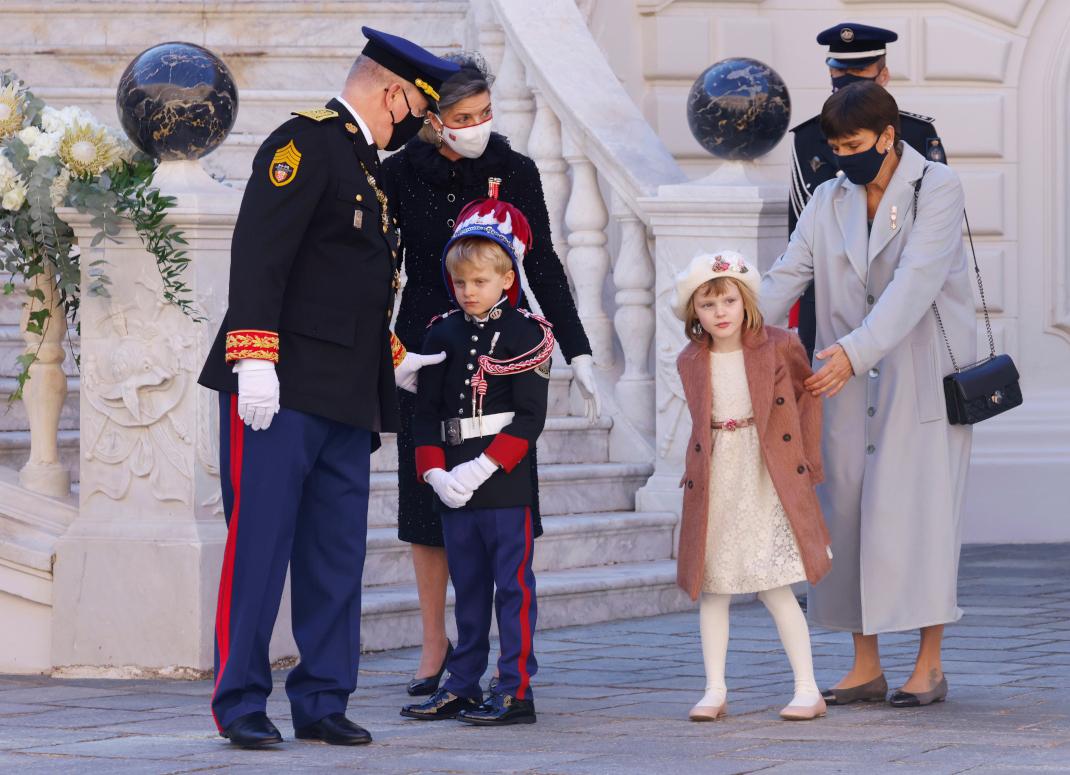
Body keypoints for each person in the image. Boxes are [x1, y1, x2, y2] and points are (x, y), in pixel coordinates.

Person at [196, 28, 458, 748]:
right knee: (259, 547)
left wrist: (395, 357)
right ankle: (241, 698)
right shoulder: (305, 144)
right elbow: (260, 253)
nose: (415, 125)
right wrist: (253, 357)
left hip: (346, 393)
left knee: (334, 553)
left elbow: (353, 283)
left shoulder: (364, 166)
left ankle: (321, 696)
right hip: (278, 389)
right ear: (393, 92)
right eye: (416, 110)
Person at [380, 52, 596, 696]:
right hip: (425, 349)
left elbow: (546, 264)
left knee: (500, 500)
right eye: (463, 116)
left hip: (503, 353)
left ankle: (506, 660)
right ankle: (433, 645)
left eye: (485, 114)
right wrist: (390, 352)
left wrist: (578, 349)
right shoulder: (398, 174)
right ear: (432, 119)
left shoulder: (514, 169)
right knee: (426, 502)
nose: (477, 126)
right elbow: (376, 268)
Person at [761, 81, 975, 708]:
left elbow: (916, 283)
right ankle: (865, 664)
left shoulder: (938, 186)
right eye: (833, 148)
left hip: (921, 372)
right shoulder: (828, 197)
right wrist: (727, 315)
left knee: (923, 515)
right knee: (849, 511)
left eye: (853, 145)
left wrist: (855, 352)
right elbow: (786, 275)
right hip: (841, 378)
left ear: (888, 137)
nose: (842, 158)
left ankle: (929, 664)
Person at [399, 198, 550, 726]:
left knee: (512, 588)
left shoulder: (527, 333)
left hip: (502, 482)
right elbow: (426, 414)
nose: (469, 292)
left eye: (481, 281)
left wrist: (482, 467)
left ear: (508, 277)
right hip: (452, 481)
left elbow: (530, 419)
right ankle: (462, 684)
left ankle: (516, 689)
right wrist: (436, 472)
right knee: (467, 589)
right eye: (461, 282)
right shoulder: (442, 332)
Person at [671, 251, 832, 723]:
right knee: (714, 586)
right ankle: (714, 688)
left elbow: (808, 401)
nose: (720, 312)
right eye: (708, 304)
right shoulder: (690, 359)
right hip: (718, 474)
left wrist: (807, 464)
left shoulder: (780, 345)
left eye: (728, 301)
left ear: (746, 303)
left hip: (768, 472)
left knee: (774, 584)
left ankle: (808, 688)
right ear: (694, 313)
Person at [789, 22, 948, 359]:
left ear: (883, 74)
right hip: (831, 309)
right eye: (839, 69)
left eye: (860, 68)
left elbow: (933, 238)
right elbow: (800, 242)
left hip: (904, 309)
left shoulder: (918, 133)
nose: (848, 78)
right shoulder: (807, 138)